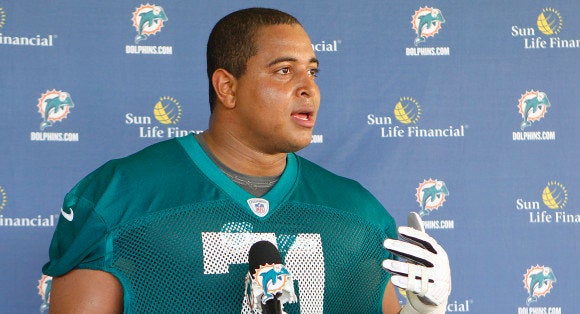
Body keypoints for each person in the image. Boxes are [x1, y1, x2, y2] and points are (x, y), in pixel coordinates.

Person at [43, 7, 451, 313]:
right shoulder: (120, 196)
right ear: (227, 87)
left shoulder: (358, 212)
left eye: (313, 71)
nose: (308, 88)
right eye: (284, 71)